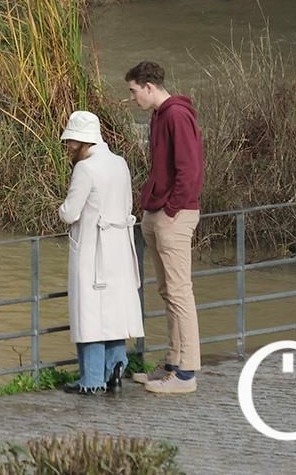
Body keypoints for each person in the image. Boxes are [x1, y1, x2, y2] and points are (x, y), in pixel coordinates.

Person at [124, 61, 204, 394]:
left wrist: (171, 210)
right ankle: (173, 363)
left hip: (174, 214)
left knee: (180, 292)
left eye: (133, 91)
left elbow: (190, 169)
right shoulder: (160, 116)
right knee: (168, 291)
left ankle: (186, 374)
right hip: (158, 211)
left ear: (148, 86)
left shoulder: (175, 115)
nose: (131, 98)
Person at [56, 111, 144, 395]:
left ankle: (91, 379)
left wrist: (59, 208)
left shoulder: (85, 169)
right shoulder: (120, 164)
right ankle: (117, 366)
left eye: (70, 141)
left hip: (93, 249)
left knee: (90, 314)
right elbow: (128, 204)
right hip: (119, 247)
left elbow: (70, 213)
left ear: (83, 141)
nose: (68, 146)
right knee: (115, 313)